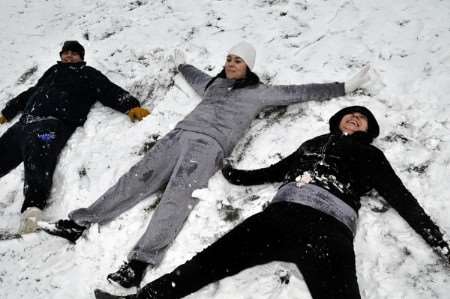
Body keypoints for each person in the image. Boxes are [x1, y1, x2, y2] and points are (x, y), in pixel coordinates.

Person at [41, 41, 373, 289]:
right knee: (133, 181)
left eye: (237, 60)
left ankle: (139, 263)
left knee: (176, 199)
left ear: (248, 66)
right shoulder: (214, 85)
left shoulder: (260, 92)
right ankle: (79, 223)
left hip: (207, 147)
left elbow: (301, 91)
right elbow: (195, 74)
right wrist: (182, 64)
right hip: (176, 137)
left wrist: (343, 88)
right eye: (228, 58)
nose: (230, 63)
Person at [94, 105, 450, 299]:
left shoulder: (371, 157)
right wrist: (236, 175)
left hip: (329, 228)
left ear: (367, 131)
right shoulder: (312, 143)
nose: (355, 118)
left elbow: (402, 198)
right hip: (279, 217)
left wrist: (438, 241)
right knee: (208, 262)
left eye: (363, 119)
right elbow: (276, 170)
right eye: (350, 114)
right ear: (337, 120)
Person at [0, 40, 150, 234]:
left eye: (74, 53)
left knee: (39, 155)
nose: (69, 55)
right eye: (66, 52)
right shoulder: (51, 72)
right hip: (25, 124)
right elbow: (31, 92)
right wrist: (8, 111)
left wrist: (130, 105)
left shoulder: (87, 74)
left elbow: (108, 90)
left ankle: (32, 210)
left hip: (53, 123)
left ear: (81, 57)